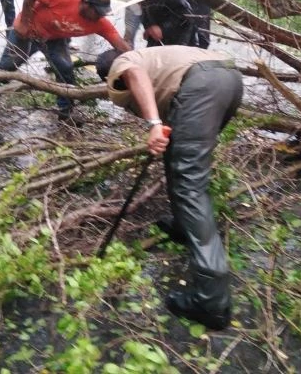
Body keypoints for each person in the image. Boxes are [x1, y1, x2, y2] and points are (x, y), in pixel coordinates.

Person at [96, 46, 243, 330]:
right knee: (179, 160)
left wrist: (153, 124)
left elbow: (133, 73)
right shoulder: (156, 58)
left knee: (189, 185)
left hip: (201, 87)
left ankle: (210, 301)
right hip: (230, 80)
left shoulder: (123, 62)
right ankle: (183, 226)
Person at [0, 0, 131, 121]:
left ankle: (66, 112)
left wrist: (138, 61)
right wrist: (25, 21)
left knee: (65, 68)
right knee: (8, 66)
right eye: (97, 12)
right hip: (27, 32)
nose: (99, 17)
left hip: (53, 38)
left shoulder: (99, 22)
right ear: (86, 3)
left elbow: (120, 44)